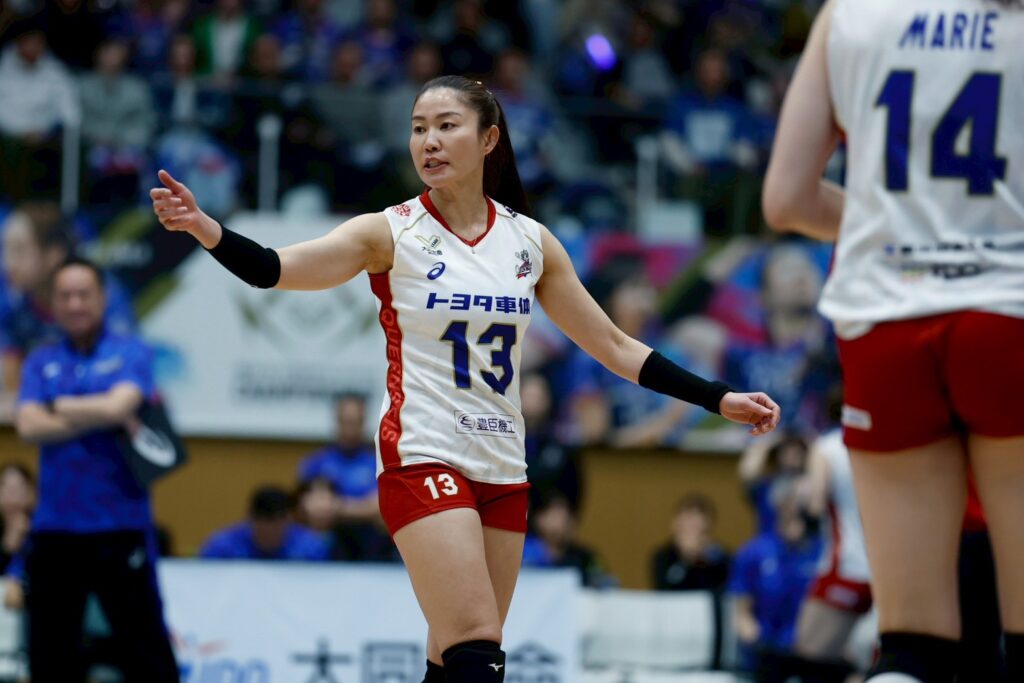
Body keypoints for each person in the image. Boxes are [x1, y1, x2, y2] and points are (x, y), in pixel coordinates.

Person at [150, 74, 780, 682]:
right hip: (423, 453)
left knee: (453, 656)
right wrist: (206, 228)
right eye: (418, 128)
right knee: (478, 641)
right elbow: (273, 269)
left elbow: (615, 346)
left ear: (488, 139)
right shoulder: (389, 231)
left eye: (446, 126)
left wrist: (717, 397)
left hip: (502, 463)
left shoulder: (530, 242)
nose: (428, 141)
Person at [762, 1, 1024, 681]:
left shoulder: (851, 13)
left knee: (912, 647)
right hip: (1008, 312)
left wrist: (900, 228)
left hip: (885, 319)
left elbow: (787, 199)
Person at [13, 257, 178, 682]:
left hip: (120, 525)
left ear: (102, 299)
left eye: (83, 294)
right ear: (53, 303)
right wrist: (99, 412)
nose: (75, 304)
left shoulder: (132, 351)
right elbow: (27, 426)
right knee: (50, 659)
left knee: (148, 658)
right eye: (65, 296)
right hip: (55, 528)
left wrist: (56, 405)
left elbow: (120, 406)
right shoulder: (40, 361)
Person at [297, 393, 393, 561]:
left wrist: (336, 506)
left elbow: (381, 509)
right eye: (346, 422)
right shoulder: (316, 463)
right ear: (337, 421)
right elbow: (307, 509)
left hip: (372, 546)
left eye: (355, 422)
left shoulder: (380, 463)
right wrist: (362, 507)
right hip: (327, 547)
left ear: (363, 422)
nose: (350, 429)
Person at [200, 485, 331, 561]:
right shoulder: (223, 546)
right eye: (262, 522)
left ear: (287, 520)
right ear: (249, 518)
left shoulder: (310, 548)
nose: (268, 530)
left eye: (274, 523)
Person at [650, 493, 730, 592]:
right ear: (675, 524)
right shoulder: (663, 556)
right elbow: (664, 590)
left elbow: (720, 589)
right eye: (687, 519)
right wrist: (686, 559)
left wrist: (701, 558)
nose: (691, 525)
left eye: (696, 524)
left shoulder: (720, 557)